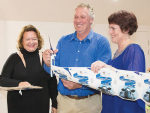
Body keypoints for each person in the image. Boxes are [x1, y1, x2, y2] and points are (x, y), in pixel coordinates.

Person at [43, 3, 112, 113]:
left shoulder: (101, 43)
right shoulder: (63, 41)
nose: (78, 20)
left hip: (90, 104)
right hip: (64, 103)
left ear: (91, 20)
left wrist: (81, 85)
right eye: (76, 17)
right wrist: (47, 63)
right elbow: (53, 69)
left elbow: (104, 75)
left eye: (83, 17)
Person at [91, 10, 145, 113]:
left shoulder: (133, 50)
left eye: (113, 28)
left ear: (126, 29)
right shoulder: (118, 51)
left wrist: (108, 68)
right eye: (109, 28)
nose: (109, 32)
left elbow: (133, 81)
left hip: (126, 109)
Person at [0, 25, 58, 113]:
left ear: (38, 40)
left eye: (34, 39)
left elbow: (52, 83)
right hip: (17, 108)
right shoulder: (14, 58)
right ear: (22, 41)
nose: (31, 42)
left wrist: (54, 104)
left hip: (41, 108)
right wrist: (19, 83)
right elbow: (2, 80)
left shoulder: (45, 58)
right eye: (27, 39)